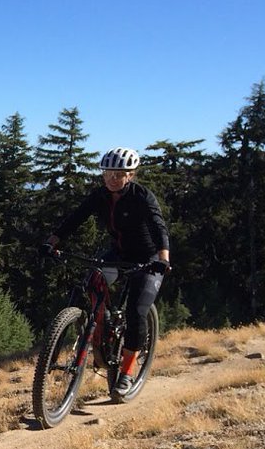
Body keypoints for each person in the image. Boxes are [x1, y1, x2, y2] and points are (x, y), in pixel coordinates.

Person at [39, 146, 171, 394]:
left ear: (130, 175)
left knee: (136, 311)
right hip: (119, 254)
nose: (111, 178)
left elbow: (158, 226)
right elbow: (75, 218)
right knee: (92, 281)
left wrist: (163, 259)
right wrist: (51, 242)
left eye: (118, 174)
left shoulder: (142, 197)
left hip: (148, 259)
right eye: (107, 173)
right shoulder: (100, 195)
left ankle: (127, 372)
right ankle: (101, 329)